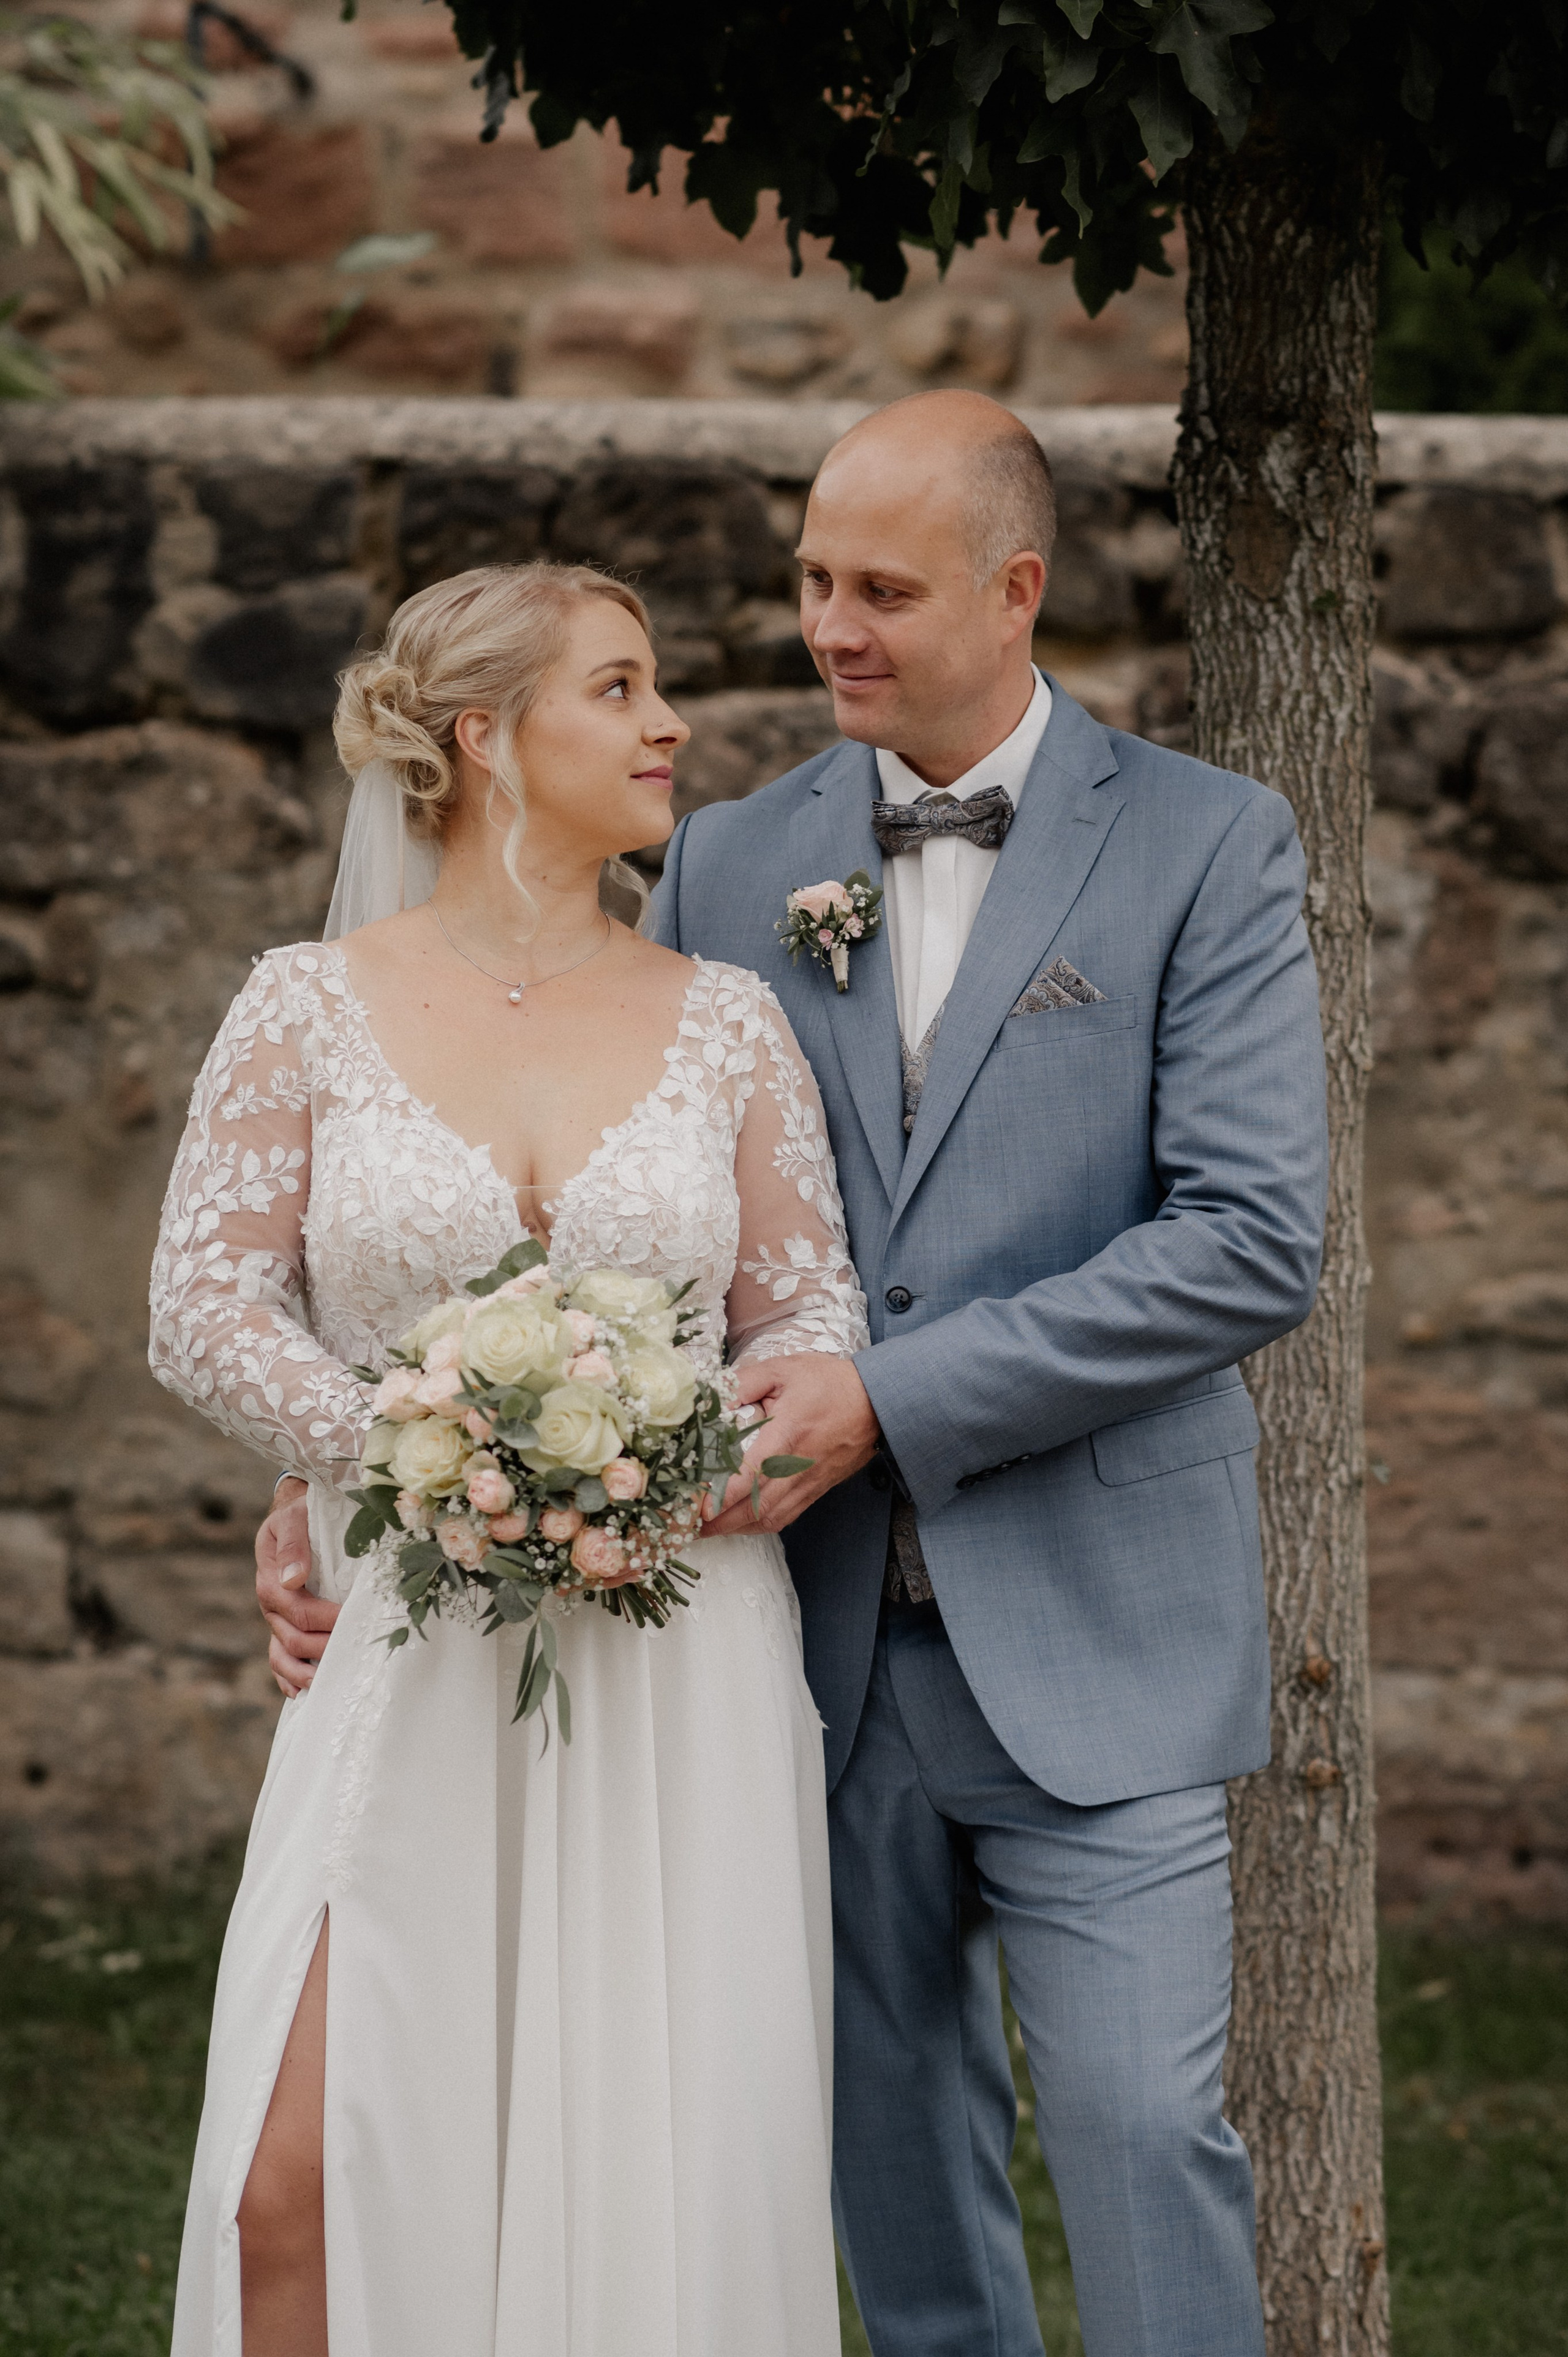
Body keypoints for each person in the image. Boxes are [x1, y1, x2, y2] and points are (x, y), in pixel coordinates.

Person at [261, 388, 1330, 2357]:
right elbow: (583, 1219)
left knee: (1143, 2143)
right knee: (897, 2207)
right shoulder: (729, 859)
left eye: (882, 591)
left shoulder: (1207, 843)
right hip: (795, 1654)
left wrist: (895, 1400)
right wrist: (348, 1469)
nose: (829, 624)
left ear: (1015, 592)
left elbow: (1251, 1240)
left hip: (1104, 1632)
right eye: (816, 578)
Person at [151, 562, 867, 2357]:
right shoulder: (305, 1005)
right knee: (293, 2182)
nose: (669, 724)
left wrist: (659, 1467)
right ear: (483, 736)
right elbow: (206, 1305)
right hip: (405, 1636)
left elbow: (809, 1323)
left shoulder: (729, 1019)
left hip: (671, 1652)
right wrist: (415, 1451)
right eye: (619, 689)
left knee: (649, 2182)